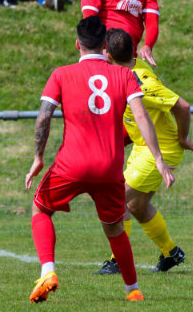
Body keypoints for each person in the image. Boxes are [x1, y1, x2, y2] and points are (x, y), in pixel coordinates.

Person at [25, 16, 175, 304]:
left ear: (77, 44)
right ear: (105, 45)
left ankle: (48, 272)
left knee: (40, 209)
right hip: (109, 167)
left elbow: (44, 116)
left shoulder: (61, 74)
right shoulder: (125, 75)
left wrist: (38, 158)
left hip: (72, 165)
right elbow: (141, 116)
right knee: (115, 228)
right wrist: (158, 157)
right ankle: (133, 289)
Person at [94, 28, 193, 276]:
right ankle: (171, 252)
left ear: (108, 55)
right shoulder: (126, 69)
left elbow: (183, 107)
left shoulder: (143, 82)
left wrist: (182, 138)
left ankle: (118, 260)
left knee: (117, 199)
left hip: (160, 149)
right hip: (144, 147)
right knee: (137, 206)